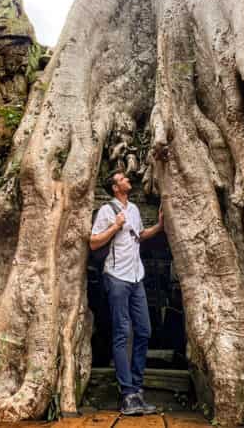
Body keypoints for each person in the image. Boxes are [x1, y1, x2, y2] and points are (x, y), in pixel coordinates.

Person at [90, 170, 164, 416]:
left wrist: (160, 226)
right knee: (123, 332)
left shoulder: (133, 208)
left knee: (144, 330)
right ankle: (127, 394)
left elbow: (139, 236)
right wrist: (115, 226)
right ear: (114, 187)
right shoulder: (105, 211)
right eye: (123, 179)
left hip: (136, 277)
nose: (128, 180)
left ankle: (137, 388)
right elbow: (94, 242)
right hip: (117, 277)